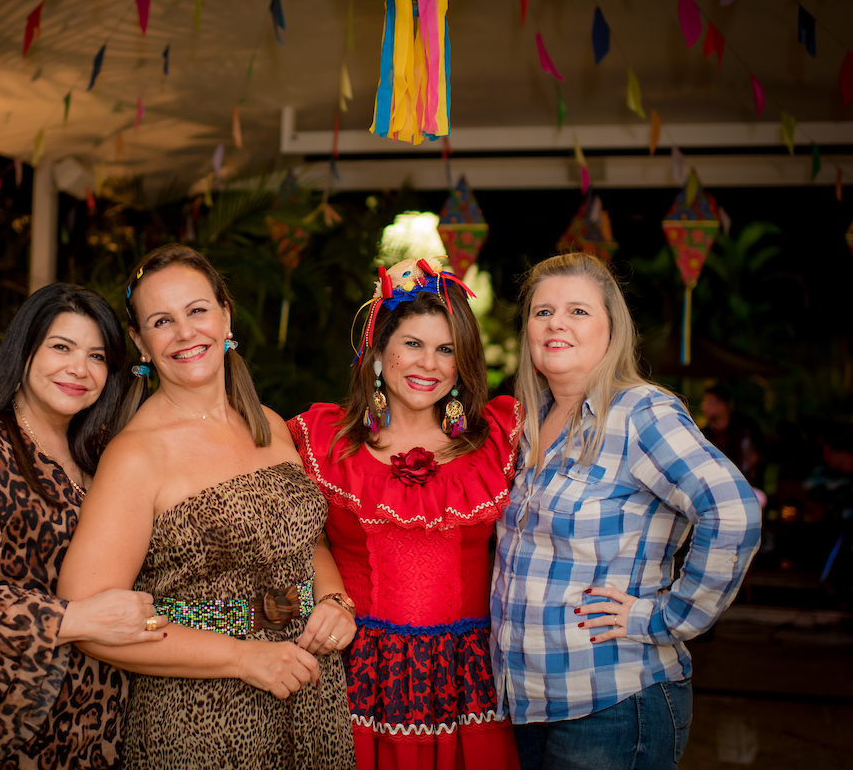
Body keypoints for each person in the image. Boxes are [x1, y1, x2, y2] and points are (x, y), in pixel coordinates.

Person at [57, 244, 356, 770]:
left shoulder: (267, 421)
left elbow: (306, 540)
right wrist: (243, 658)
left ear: (225, 315)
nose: (185, 332)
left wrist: (336, 602)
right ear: (140, 342)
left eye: (197, 310)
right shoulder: (136, 455)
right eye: (161, 320)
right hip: (201, 720)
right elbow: (89, 621)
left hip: (310, 691)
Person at [492, 253, 761, 770]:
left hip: (613, 702)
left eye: (578, 311)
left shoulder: (640, 412)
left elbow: (733, 511)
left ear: (611, 329)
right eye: (542, 311)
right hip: (526, 703)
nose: (556, 323)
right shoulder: (528, 420)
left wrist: (667, 617)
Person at [0, 283, 170, 770]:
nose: (79, 369)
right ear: (24, 352)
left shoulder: (99, 456)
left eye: (97, 356)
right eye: (60, 347)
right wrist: (74, 619)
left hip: (98, 727)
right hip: (9, 732)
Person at [288, 256, 523, 770]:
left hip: (466, 683)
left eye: (447, 350)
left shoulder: (501, 439)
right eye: (412, 344)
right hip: (352, 674)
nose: (429, 364)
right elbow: (295, 533)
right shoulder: (320, 439)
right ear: (378, 352)